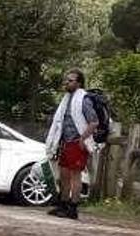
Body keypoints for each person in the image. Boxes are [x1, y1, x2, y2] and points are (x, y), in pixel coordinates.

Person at [45, 68, 99, 220]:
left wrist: (82, 139)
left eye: (71, 80)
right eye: (66, 80)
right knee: (63, 175)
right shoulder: (67, 99)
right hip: (66, 142)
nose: (67, 83)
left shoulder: (84, 99)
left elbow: (94, 122)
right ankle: (62, 204)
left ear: (79, 83)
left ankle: (73, 208)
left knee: (76, 176)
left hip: (77, 143)